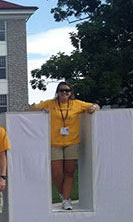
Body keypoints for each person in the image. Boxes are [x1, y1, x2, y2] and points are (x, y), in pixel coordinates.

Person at [30, 81, 99, 210]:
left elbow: (96, 105)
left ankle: (66, 200)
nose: (64, 93)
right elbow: (31, 108)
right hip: (54, 143)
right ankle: (62, 193)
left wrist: (93, 108)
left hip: (72, 142)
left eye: (67, 91)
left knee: (69, 172)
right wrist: (41, 109)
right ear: (57, 92)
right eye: (61, 90)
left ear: (71, 93)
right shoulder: (51, 103)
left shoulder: (76, 104)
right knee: (56, 174)